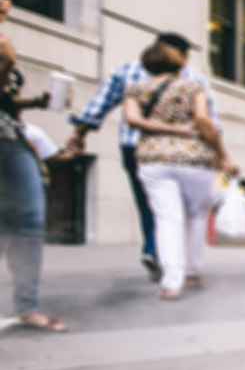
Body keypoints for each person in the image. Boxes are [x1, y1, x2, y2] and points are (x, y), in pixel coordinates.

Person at [64, 33, 212, 282]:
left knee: (147, 204)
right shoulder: (193, 78)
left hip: (134, 148)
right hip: (182, 152)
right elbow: (207, 120)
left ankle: (154, 251)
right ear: (182, 55)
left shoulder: (126, 72)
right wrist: (217, 152)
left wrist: (79, 133)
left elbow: (99, 106)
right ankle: (174, 261)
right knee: (179, 211)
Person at [123, 42, 238, 300]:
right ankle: (193, 271)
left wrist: (163, 129)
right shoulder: (192, 86)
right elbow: (203, 121)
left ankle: (171, 282)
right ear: (179, 62)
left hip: (153, 157)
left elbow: (131, 119)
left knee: (166, 219)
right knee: (196, 215)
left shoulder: (136, 88)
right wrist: (223, 155)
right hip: (194, 158)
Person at [0, 0, 67, 332]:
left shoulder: (5, 44)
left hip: (10, 137)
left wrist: (38, 101)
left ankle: (26, 306)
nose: (1, 1)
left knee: (28, 218)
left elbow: (4, 102)